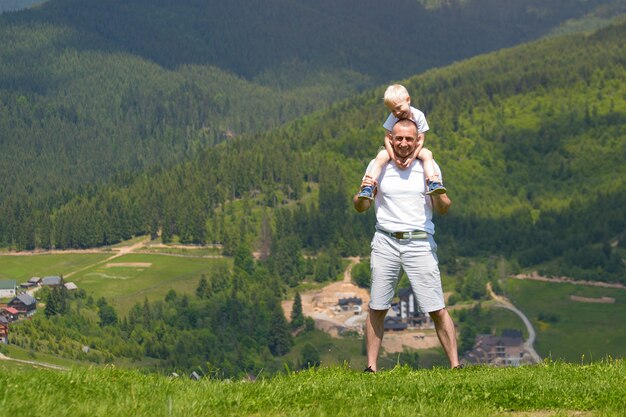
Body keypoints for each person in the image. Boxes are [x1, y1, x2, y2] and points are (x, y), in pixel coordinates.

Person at [353, 118, 459, 372]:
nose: (403, 143)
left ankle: (456, 366)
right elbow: (361, 206)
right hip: (385, 241)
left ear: (417, 140)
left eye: (408, 139)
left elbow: (443, 208)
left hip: (419, 242)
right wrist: (361, 197)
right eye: (398, 138)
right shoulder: (378, 164)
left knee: (436, 307)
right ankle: (371, 368)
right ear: (390, 138)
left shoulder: (428, 166)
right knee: (377, 306)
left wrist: (440, 197)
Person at [358, 84, 446, 200]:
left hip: (415, 147)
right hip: (392, 147)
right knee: (381, 156)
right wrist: (394, 157)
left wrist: (412, 157)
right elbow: (387, 138)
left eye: (399, 108)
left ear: (408, 100)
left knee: (427, 155)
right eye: (393, 111)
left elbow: (421, 139)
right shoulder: (393, 117)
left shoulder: (418, 115)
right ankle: (369, 186)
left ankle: (432, 182)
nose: (397, 113)